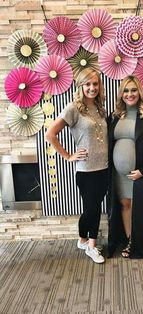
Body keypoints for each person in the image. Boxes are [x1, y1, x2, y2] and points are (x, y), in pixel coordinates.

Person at [46, 68, 108, 264]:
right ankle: (91, 246)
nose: (92, 88)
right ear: (80, 86)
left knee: (93, 207)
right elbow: (50, 134)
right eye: (87, 84)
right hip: (86, 170)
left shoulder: (100, 108)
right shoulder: (73, 108)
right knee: (93, 209)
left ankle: (82, 240)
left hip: (104, 168)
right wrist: (68, 156)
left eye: (95, 84)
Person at [107, 75, 143, 259]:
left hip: (140, 173)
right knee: (124, 204)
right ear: (121, 94)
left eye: (133, 90)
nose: (130, 94)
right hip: (118, 174)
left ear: (139, 92)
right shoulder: (114, 117)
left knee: (140, 208)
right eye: (126, 90)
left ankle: (140, 243)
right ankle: (130, 239)